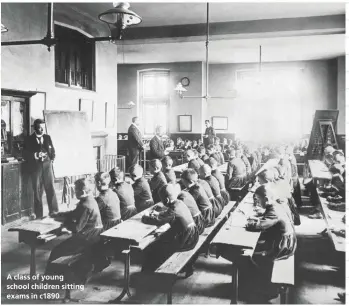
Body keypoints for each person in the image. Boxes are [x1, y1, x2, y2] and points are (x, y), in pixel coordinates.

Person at [46, 178, 104, 283]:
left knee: (56, 251)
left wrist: (64, 226)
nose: (74, 192)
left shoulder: (85, 205)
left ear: (82, 192)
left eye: (75, 190)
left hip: (88, 238)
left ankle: (52, 281)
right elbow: (75, 213)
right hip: (93, 234)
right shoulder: (89, 199)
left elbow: (76, 228)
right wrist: (60, 215)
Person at [141, 184, 199, 272]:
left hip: (187, 239)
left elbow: (158, 221)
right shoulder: (179, 202)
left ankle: (149, 272)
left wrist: (145, 217)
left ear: (167, 200)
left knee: (155, 247)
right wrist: (158, 213)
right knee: (161, 238)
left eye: (162, 200)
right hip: (192, 234)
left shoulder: (173, 210)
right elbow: (168, 213)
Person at [23, 118, 58, 219]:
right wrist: (35, 155)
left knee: (50, 188)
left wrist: (51, 158)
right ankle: (39, 215)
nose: (42, 130)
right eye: (39, 128)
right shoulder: (29, 139)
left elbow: (53, 150)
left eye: (43, 128)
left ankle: (54, 212)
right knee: (37, 191)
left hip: (47, 166)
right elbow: (24, 154)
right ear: (35, 128)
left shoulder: (47, 137)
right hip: (35, 167)